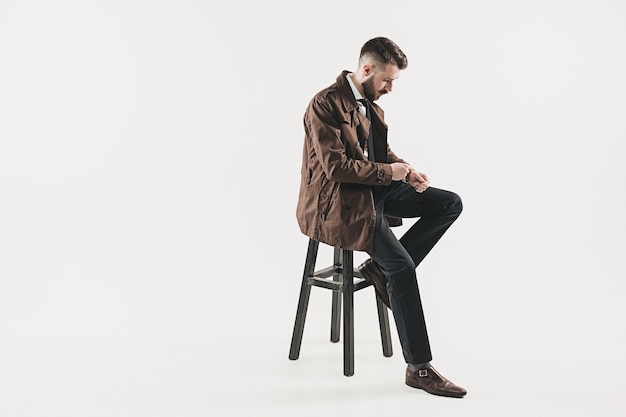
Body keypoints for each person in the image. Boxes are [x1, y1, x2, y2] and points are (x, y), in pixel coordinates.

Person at [296, 37, 466, 398]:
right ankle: (419, 369)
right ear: (367, 69)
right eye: (387, 80)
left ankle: (377, 270)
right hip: (338, 204)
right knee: (402, 268)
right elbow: (337, 167)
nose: (390, 88)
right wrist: (392, 173)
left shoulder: (368, 104)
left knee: (449, 203)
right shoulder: (325, 104)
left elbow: (379, 152)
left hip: (370, 191)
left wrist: (408, 171)